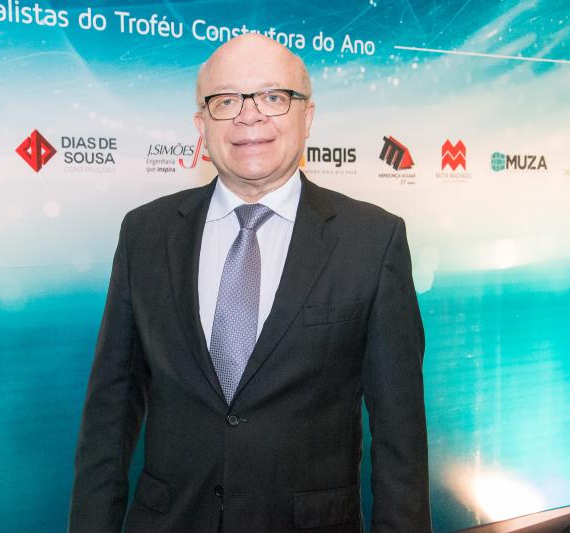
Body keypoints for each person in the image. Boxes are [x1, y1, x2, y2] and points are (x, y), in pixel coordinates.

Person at [68, 34, 430, 533]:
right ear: (202, 124)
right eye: (225, 101)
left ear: (307, 116)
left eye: (273, 96)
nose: (249, 117)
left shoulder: (373, 240)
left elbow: (400, 437)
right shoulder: (145, 233)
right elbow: (110, 413)